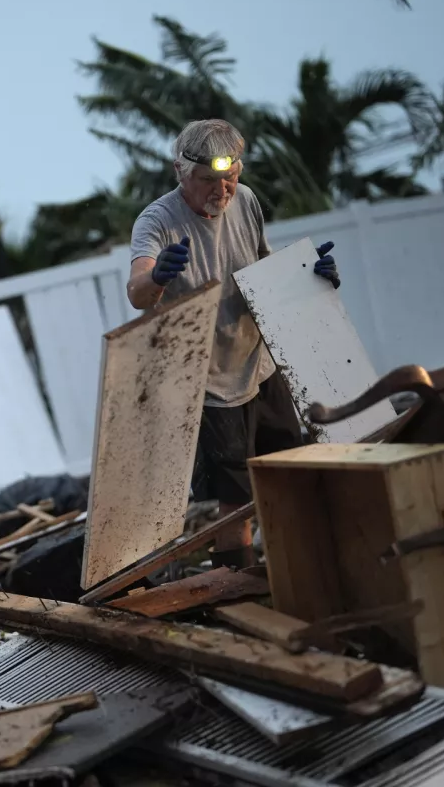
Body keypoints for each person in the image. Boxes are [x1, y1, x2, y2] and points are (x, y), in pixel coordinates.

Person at [126, 119, 341, 557]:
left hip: (260, 365)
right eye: (208, 180)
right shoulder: (158, 221)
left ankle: (300, 569)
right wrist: (158, 277)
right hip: (211, 386)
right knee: (236, 503)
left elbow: (264, 266)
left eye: (230, 176)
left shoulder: (245, 202)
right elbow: (137, 292)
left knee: (288, 471)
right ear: (181, 172)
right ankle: (236, 589)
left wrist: (308, 276)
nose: (221, 190)